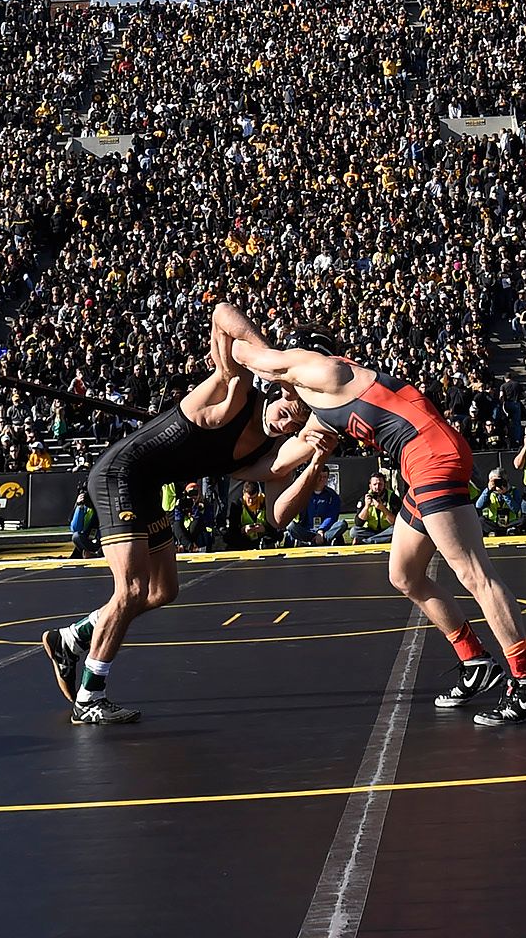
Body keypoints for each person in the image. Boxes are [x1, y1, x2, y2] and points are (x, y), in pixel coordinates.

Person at [215, 303, 526, 726]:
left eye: (283, 388)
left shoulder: (317, 370)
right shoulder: (324, 407)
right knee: (405, 575)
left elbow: (240, 340)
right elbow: (278, 466)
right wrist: (214, 460)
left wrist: (227, 388)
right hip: (422, 461)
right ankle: (475, 662)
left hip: (431, 456)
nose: (283, 401)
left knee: (474, 574)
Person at [41, 309, 335, 725]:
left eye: (302, 412)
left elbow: (276, 517)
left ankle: (73, 638)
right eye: (291, 398)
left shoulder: (266, 455)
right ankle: (91, 694)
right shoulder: (235, 386)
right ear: (281, 385)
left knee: (163, 590)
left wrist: (316, 457)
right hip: (119, 475)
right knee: (132, 587)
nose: (291, 412)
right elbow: (221, 313)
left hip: (145, 488)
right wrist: (270, 356)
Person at [283, 464, 347, 547]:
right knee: (291, 526)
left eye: (324, 477)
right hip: (307, 530)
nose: (321, 479)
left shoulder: (332, 496)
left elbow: (332, 516)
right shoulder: (304, 494)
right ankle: (317, 540)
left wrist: (321, 530)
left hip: (325, 531)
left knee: (342, 524)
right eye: (319, 476)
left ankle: (320, 540)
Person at [352, 471, 395, 544]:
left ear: (384, 485)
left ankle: (366, 541)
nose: (377, 487)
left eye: (380, 484)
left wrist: (382, 508)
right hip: (370, 531)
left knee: (396, 530)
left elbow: (395, 522)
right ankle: (379, 538)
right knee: (353, 531)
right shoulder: (365, 498)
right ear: (370, 486)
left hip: (386, 530)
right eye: (375, 484)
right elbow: (358, 523)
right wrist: (366, 506)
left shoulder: (392, 497)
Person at [476, 469, 522, 535]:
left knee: (523, 520)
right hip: (494, 523)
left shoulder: (514, 491)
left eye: (499, 481)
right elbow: (478, 505)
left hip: (510, 523)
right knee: (481, 520)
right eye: (494, 481)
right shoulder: (488, 492)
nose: (497, 483)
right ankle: (495, 531)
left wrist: (505, 494)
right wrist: (488, 490)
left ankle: (509, 530)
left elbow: (516, 509)